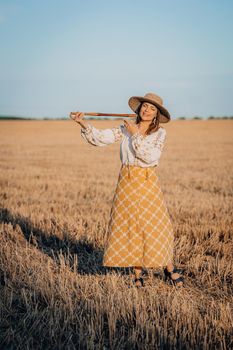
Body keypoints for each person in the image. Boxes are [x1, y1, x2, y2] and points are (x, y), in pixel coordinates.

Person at [70, 92, 184, 288]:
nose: (147, 110)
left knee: (156, 226)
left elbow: (150, 157)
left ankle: (169, 267)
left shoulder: (159, 133)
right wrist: (82, 123)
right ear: (139, 109)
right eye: (145, 106)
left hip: (147, 180)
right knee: (131, 227)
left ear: (157, 114)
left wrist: (135, 134)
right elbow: (101, 138)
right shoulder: (125, 128)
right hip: (127, 181)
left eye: (152, 108)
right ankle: (137, 274)